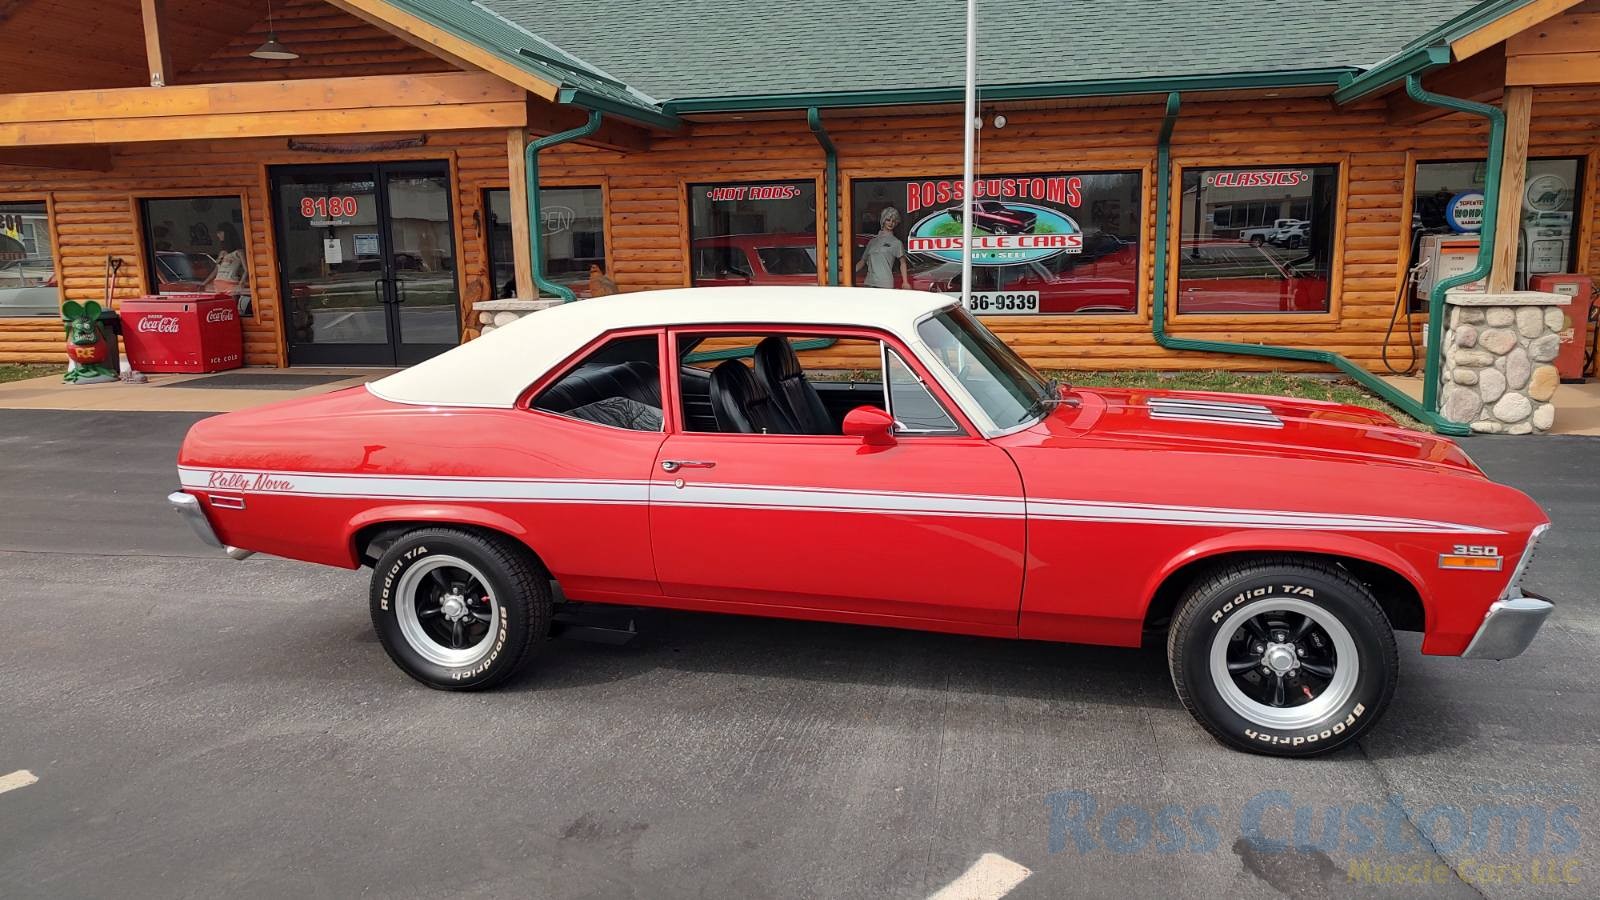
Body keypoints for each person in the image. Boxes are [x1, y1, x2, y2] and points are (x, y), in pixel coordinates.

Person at [203, 221, 251, 317]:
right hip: (217, 285)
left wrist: (241, 283)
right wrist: (204, 283)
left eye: (220, 232)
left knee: (230, 312)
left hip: (230, 286)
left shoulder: (238, 252)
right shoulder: (222, 252)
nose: (218, 235)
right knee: (218, 312)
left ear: (227, 233)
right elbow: (216, 271)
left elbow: (246, 269)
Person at [856, 206, 910, 289]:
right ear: (883, 220)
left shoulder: (896, 242)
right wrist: (850, 272)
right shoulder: (872, 242)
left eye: (894, 221)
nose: (891, 223)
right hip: (869, 283)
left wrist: (905, 282)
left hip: (885, 283)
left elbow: (902, 263)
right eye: (888, 220)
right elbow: (862, 261)